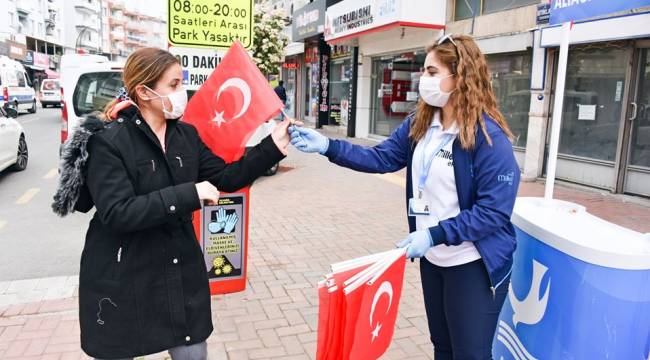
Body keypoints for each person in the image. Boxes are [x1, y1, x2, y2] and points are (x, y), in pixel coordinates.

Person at [52, 47, 294, 360]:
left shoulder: (186, 135)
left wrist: (273, 145)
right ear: (144, 91)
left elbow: (227, 176)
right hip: (124, 274)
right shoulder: (109, 141)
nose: (182, 93)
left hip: (177, 270)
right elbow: (117, 212)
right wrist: (189, 194)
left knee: (193, 352)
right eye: (174, 85)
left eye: (183, 83)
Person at [289, 34, 520, 359]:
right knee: (442, 347)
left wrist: (434, 234)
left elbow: (493, 213)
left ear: (460, 76)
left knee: (470, 354)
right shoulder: (422, 122)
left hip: (471, 264)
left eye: (431, 71)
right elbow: (381, 158)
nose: (422, 79)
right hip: (434, 258)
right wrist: (328, 146)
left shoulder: (487, 137)